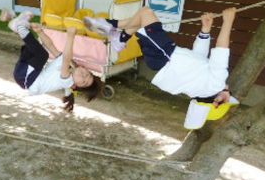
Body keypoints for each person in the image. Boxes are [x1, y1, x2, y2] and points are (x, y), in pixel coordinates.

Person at [84, 6, 237, 109]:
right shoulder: (202, 89)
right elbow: (199, 58)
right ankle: (119, 35)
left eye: (227, 97)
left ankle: (116, 33)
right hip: (164, 57)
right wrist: (205, 30)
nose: (229, 92)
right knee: (143, 18)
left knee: (145, 13)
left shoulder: (216, 83)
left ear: (217, 100)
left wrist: (228, 22)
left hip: (165, 55)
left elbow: (221, 51)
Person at [1, 10, 102, 112]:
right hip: (27, 70)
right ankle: (16, 21)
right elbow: (50, 46)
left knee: (42, 55)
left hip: (26, 79)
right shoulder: (70, 66)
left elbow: (66, 58)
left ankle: (19, 26)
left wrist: (70, 36)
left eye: (84, 82)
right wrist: (40, 32)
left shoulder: (67, 81)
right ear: (84, 68)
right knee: (36, 48)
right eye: (88, 75)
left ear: (75, 85)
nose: (84, 77)